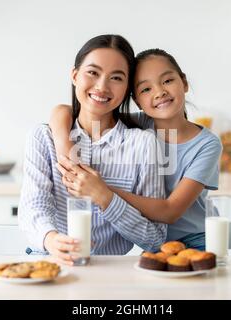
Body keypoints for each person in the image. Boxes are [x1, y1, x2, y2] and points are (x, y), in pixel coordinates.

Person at [51, 48, 222, 251]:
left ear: (183, 83)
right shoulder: (137, 125)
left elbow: (170, 211)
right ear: (136, 100)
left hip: (196, 240)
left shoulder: (207, 145)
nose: (160, 92)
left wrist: (101, 191)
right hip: (154, 243)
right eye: (145, 89)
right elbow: (65, 110)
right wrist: (63, 141)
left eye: (167, 81)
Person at [18, 35, 167, 265]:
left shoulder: (143, 145)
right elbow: (32, 209)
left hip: (111, 274)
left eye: (116, 77)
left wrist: (105, 197)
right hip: (50, 265)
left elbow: (156, 239)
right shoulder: (45, 138)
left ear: (128, 88)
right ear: (75, 75)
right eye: (93, 72)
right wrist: (51, 239)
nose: (102, 86)